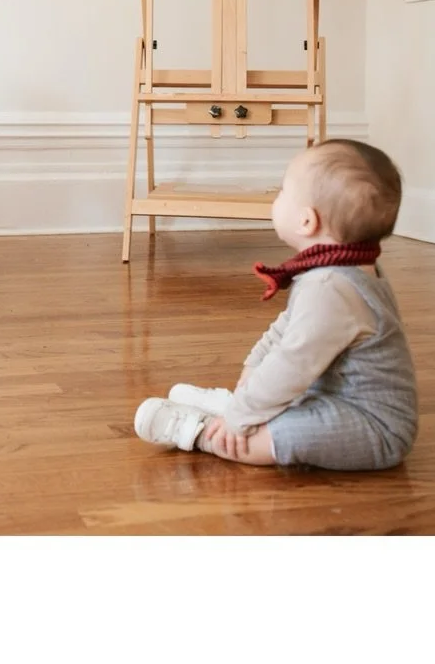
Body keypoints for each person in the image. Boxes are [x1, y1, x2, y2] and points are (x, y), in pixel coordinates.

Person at [133, 140, 418, 470]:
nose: (276, 197)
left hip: (374, 426)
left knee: (287, 434)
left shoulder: (332, 289)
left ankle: (203, 433)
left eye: (283, 191)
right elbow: (285, 328)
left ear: (306, 222)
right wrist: (251, 371)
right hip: (330, 395)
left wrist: (239, 420)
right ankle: (230, 405)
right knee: (281, 398)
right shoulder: (337, 272)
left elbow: (291, 365)